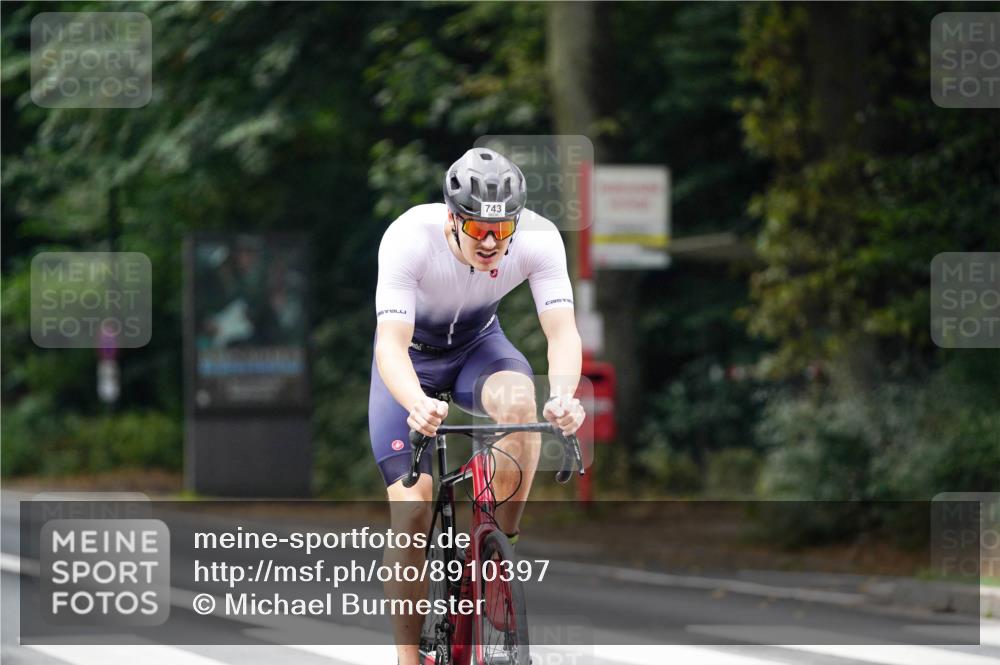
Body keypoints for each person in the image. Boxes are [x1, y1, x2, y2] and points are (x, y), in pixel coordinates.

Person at [369, 147, 585, 665]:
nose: (490, 243)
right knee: (413, 508)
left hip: (478, 347)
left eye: (502, 231)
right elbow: (389, 345)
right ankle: (407, 657)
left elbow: (562, 332)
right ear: (453, 219)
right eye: (478, 230)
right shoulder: (408, 237)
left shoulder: (539, 238)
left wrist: (564, 395)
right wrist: (416, 403)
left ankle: (495, 555)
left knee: (522, 404)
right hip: (411, 360)